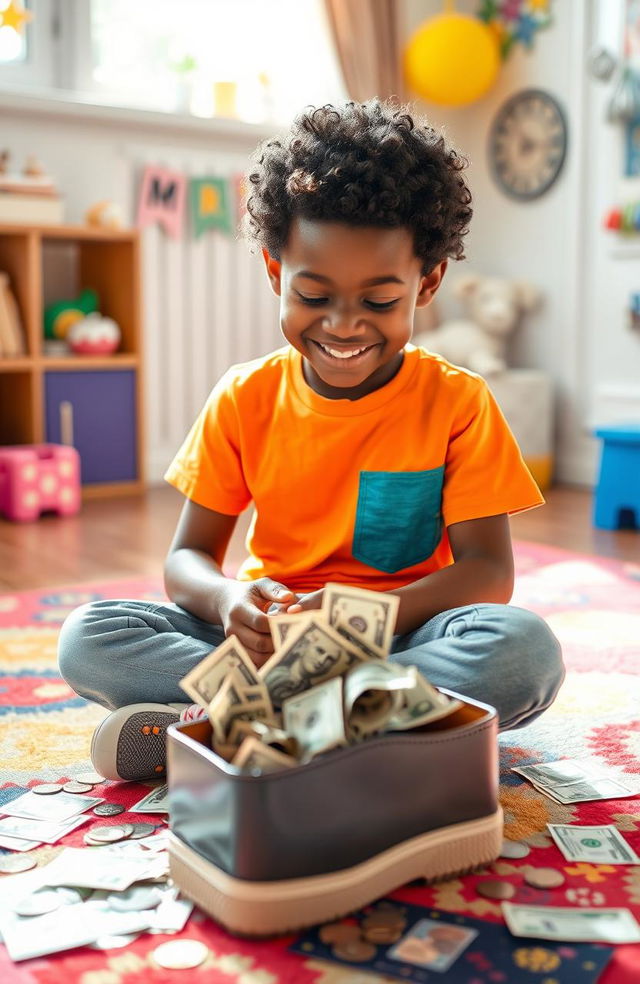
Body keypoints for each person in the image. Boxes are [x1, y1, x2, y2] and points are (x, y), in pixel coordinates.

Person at [58, 99, 564, 782]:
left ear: (429, 282)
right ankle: (356, 729)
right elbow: (187, 559)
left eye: (379, 301)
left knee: (521, 652)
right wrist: (228, 600)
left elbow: (487, 574)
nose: (344, 325)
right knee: (91, 637)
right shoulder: (246, 397)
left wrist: (360, 616)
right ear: (275, 272)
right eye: (314, 295)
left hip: (399, 636)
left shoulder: (458, 402)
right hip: (271, 639)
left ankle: (234, 727)